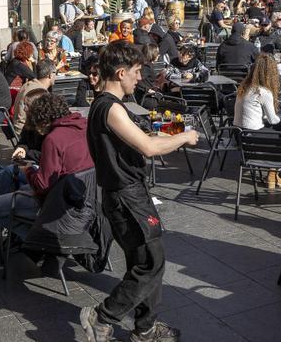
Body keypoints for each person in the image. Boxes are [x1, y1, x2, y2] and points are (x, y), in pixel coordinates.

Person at [81, 41, 198, 342]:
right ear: (121, 73)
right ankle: (102, 316)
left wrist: (163, 133)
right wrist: (184, 136)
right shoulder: (110, 107)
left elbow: (139, 139)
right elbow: (146, 148)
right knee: (151, 262)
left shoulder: (105, 106)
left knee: (142, 262)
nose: (138, 77)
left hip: (123, 194)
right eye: (136, 71)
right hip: (127, 197)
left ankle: (145, 328)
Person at [0, 93, 94, 238]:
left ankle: (35, 241)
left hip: (59, 206)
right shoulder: (84, 126)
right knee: (12, 176)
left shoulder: (53, 139)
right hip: (87, 200)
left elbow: (42, 185)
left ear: (44, 119)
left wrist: (28, 170)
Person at [12, 59, 57, 141]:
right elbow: (42, 120)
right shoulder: (39, 92)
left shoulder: (29, 84)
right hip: (27, 133)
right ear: (50, 75)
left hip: (20, 127)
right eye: (55, 73)